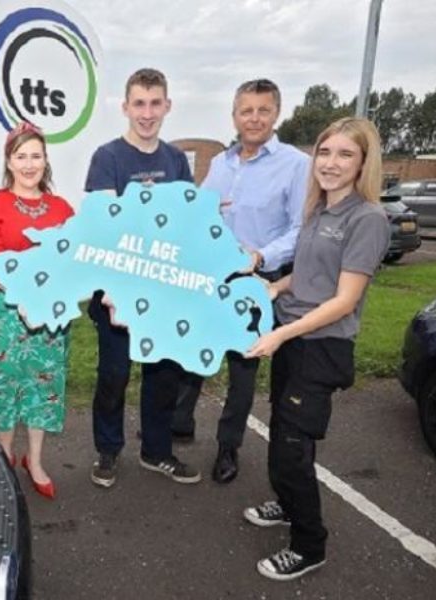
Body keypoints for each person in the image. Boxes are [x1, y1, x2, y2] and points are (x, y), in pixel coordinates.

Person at [243, 117, 389, 581]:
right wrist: (273, 288)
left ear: (363, 163)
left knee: (291, 446)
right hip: (293, 336)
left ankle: (310, 545)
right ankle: (287, 504)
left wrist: (282, 334)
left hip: (320, 347)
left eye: (345, 154)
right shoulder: (317, 211)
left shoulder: (367, 219)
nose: (330, 163)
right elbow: (307, 277)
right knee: (283, 427)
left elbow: (344, 299)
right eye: (325, 153)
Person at [172, 78, 310, 484]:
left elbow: (300, 229)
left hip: (258, 277)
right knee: (196, 348)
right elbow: (201, 213)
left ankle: (228, 447)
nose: (254, 118)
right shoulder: (221, 163)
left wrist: (261, 256)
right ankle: (181, 423)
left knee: (242, 366)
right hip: (213, 275)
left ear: (276, 114)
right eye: (246, 110)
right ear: (234, 115)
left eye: (262, 110)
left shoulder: (295, 164)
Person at [86, 68, 201, 488]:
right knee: (114, 374)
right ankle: (108, 451)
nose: (147, 113)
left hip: (163, 292)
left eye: (155, 103)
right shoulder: (108, 158)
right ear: (126, 107)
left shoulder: (174, 160)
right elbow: (106, 226)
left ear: (167, 106)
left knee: (162, 375)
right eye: (139, 103)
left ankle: (157, 452)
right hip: (116, 291)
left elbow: (185, 222)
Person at [0, 122, 74, 500]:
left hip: (49, 310)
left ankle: (35, 459)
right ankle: (2, 456)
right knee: (2, 383)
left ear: (46, 160)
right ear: (9, 161)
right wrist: (26, 295)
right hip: (4, 310)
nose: (29, 164)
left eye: (36, 155)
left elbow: (71, 260)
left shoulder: (62, 207)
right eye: (21, 156)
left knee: (42, 385)